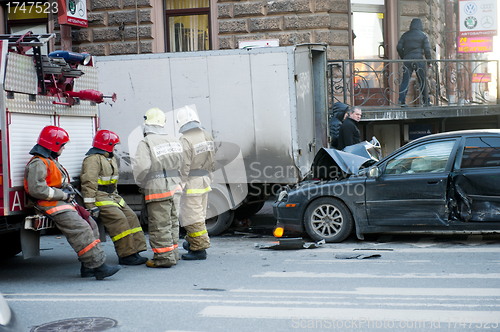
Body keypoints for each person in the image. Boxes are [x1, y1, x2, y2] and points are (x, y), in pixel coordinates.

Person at [24, 125, 120, 280]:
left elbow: (59, 182)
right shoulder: (39, 163)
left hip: (59, 203)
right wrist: (63, 195)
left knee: (91, 224)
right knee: (81, 228)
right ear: (54, 145)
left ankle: (88, 267)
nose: (63, 148)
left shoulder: (50, 161)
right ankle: (99, 266)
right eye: (62, 145)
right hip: (49, 204)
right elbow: (37, 190)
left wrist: (67, 191)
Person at [81, 130, 148, 266]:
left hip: (113, 197)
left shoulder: (109, 158)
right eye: (114, 145)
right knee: (119, 219)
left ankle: (135, 251)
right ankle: (126, 255)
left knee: (132, 217)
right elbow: (88, 184)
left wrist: (116, 195)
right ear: (108, 144)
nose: (116, 147)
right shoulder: (93, 160)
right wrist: (91, 207)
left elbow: (113, 181)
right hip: (100, 197)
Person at [132, 108, 183, 268]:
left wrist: (142, 183)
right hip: (176, 186)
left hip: (158, 189)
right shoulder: (174, 140)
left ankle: (164, 258)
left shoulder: (146, 142)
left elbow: (141, 168)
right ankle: (173, 253)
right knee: (172, 222)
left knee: (160, 224)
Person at [176, 105, 214, 260]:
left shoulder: (185, 139)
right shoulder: (206, 135)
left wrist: (181, 183)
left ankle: (199, 250)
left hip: (191, 183)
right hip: (204, 181)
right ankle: (192, 243)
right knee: (200, 215)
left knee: (192, 217)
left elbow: (184, 165)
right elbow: (211, 160)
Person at [397, 18, 432, 107]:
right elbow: (427, 50)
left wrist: (403, 57)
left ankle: (401, 101)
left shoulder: (405, 35)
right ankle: (426, 101)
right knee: (422, 80)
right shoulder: (423, 35)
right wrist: (429, 61)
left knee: (405, 80)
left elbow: (399, 47)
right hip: (419, 60)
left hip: (407, 60)